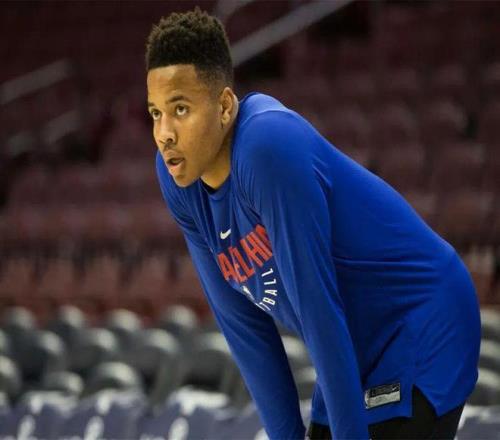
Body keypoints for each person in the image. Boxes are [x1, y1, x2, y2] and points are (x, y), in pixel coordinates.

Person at [145, 7, 481, 440]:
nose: (165, 133)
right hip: (352, 346)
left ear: (225, 106)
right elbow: (244, 328)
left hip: (421, 325)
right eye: (156, 113)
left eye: (180, 109)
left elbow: (317, 306)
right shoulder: (178, 177)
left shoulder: (266, 148)